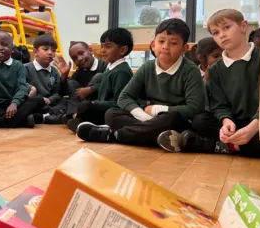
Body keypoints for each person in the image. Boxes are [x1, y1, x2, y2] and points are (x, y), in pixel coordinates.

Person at [157, 9, 260, 159]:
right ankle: (233, 143)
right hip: (235, 123)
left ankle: (218, 145)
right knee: (200, 121)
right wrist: (226, 120)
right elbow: (219, 104)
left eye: (227, 27)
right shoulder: (216, 69)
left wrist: (254, 127)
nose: (222, 35)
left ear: (243, 26)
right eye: (215, 32)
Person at [76, 18, 205, 146]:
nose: (166, 47)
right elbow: (124, 97)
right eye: (161, 41)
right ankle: (162, 138)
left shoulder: (190, 70)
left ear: (184, 48)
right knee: (112, 114)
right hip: (148, 118)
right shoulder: (147, 67)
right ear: (153, 45)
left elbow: (194, 108)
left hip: (173, 119)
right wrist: (146, 119)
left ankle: (114, 135)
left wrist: (156, 109)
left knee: (172, 118)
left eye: (173, 43)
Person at [66, 28, 134, 132]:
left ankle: (96, 128)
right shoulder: (110, 67)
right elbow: (103, 86)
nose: (102, 50)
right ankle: (89, 126)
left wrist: (94, 104)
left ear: (123, 50)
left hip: (111, 111)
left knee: (85, 106)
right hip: (102, 107)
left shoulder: (121, 71)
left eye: (108, 46)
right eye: (102, 46)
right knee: (69, 118)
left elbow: (119, 103)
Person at [55, 41, 108, 122]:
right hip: (81, 104)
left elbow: (110, 87)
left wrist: (90, 89)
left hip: (98, 104)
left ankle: (75, 115)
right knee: (71, 83)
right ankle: (76, 115)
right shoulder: (79, 71)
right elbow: (63, 93)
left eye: (81, 53)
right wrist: (64, 75)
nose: (79, 58)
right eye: (75, 58)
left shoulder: (105, 66)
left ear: (90, 51)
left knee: (98, 77)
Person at [25, 34, 67, 124]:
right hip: (35, 102)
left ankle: (46, 116)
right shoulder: (26, 68)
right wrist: (37, 96)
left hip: (49, 104)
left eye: (53, 50)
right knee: (27, 102)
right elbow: (21, 85)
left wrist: (49, 100)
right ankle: (48, 116)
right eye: (45, 49)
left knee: (67, 101)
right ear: (35, 52)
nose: (50, 53)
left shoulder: (54, 71)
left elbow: (57, 93)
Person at [195, 37, 223, 110]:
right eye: (216, 56)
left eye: (224, 55)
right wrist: (206, 80)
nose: (221, 59)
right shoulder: (192, 74)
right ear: (201, 58)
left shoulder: (228, 72)